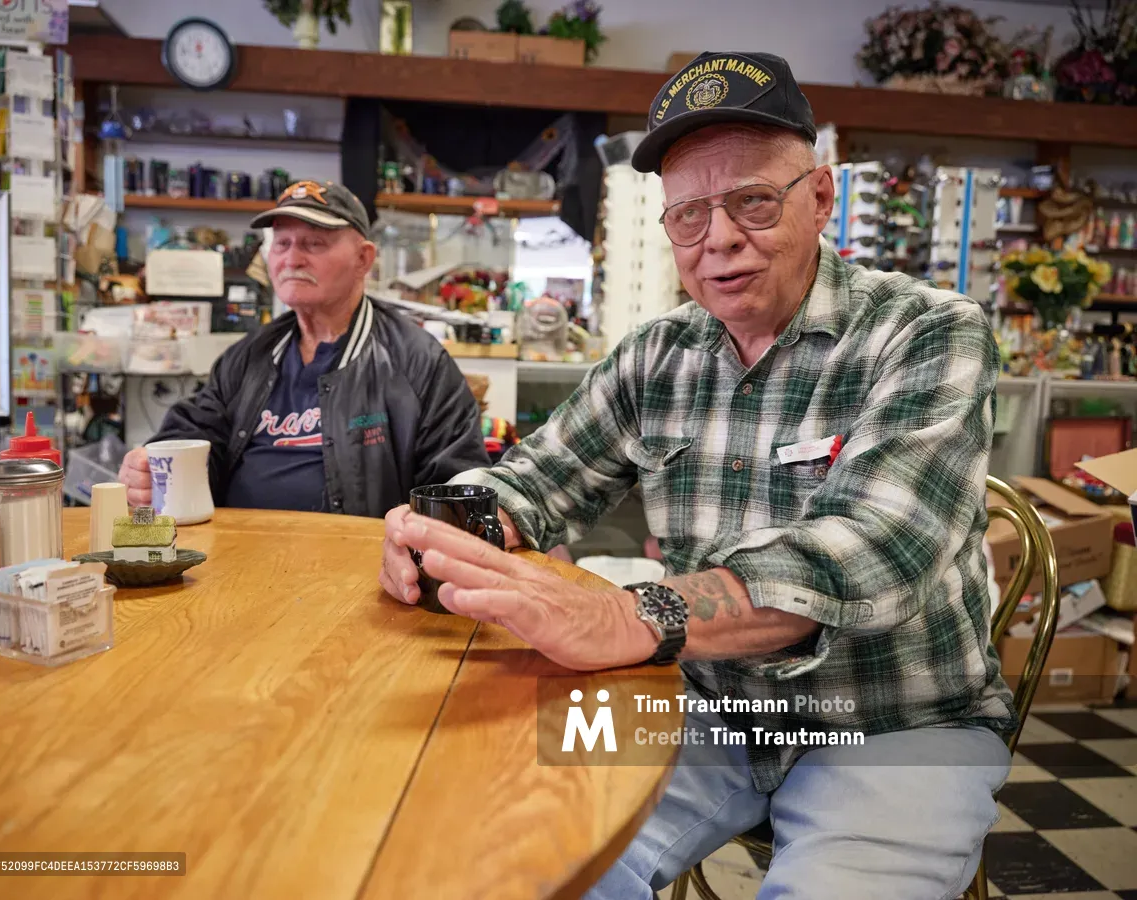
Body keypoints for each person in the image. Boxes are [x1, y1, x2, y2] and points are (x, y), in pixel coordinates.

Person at [379, 51, 1016, 898]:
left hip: (898, 721)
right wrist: (446, 530)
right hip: (705, 703)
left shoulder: (930, 334)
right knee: (497, 856)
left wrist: (629, 615)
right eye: (688, 215)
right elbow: (536, 480)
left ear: (819, 197)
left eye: (753, 200)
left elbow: (873, 552)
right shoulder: (659, 355)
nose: (718, 239)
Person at [119, 180, 489, 516]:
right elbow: (194, 432)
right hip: (238, 562)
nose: (292, 259)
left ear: (363, 259)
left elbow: (457, 489)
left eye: (315, 243)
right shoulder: (249, 356)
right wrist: (150, 467)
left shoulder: (416, 361)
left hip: (360, 571)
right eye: (282, 243)